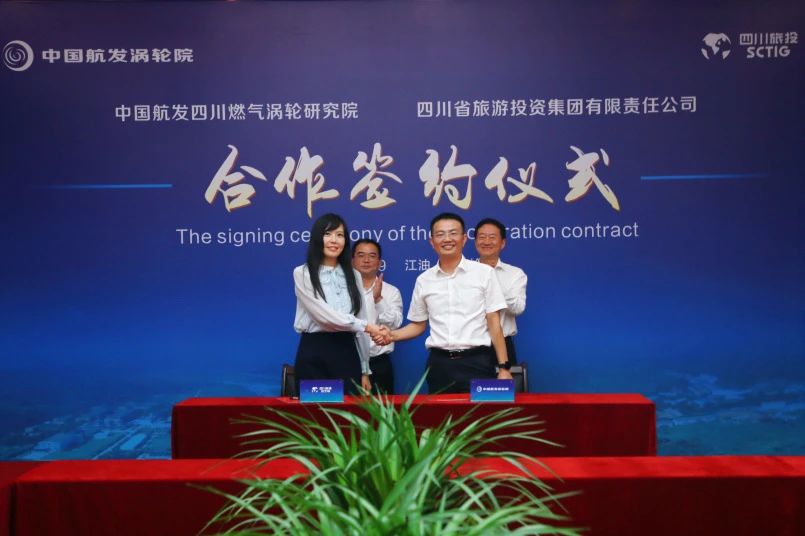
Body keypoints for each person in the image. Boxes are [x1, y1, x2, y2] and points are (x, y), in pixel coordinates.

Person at [376, 212, 512, 394]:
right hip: (439, 366)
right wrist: (391, 335)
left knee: (483, 412)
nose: (447, 239)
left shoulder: (484, 273)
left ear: (464, 239)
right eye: (440, 234)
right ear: (432, 242)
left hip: (477, 362)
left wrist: (503, 367)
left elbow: (494, 323)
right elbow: (418, 325)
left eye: (453, 233)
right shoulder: (424, 280)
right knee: (440, 413)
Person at [292, 213, 384, 395]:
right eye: (328, 234)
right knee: (314, 410)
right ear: (317, 238)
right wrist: (367, 326)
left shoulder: (354, 275)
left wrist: (364, 369)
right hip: (314, 353)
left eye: (340, 235)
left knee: (348, 410)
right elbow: (323, 317)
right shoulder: (302, 273)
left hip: (347, 352)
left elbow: (361, 320)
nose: (334, 240)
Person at [352, 239, 403, 395]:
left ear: (380, 263)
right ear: (352, 261)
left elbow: (395, 324)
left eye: (372, 256)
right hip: (349, 361)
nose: (366, 260)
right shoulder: (343, 291)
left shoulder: (391, 291)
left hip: (379, 364)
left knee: (383, 410)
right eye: (361, 255)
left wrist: (378, 299)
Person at [474, 218, 527, 364]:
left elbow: (518, 308)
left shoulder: (515, 274)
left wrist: (492, 279)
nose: (486, 241)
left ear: (502, 243)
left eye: (492, 237)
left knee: (503, 379)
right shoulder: (465, 273)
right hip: (471, 346)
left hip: (503, 343)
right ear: (475, 242)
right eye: (482, 237)